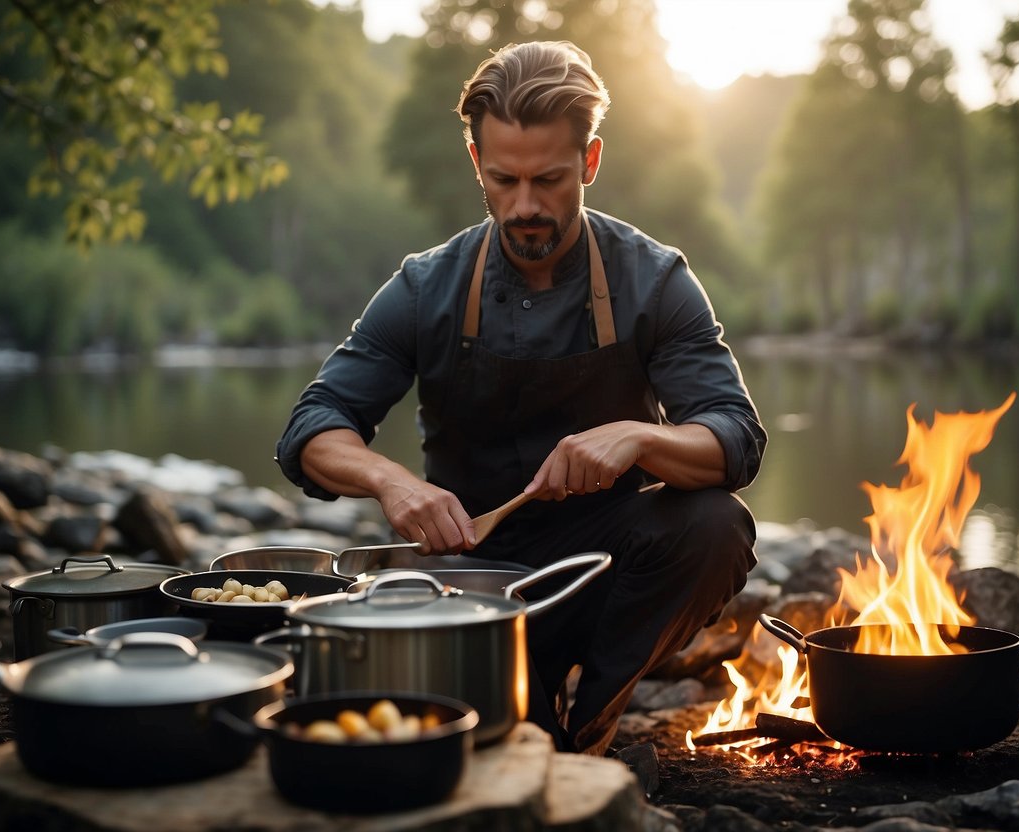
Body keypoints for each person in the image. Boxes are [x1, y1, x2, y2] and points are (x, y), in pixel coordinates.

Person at [276, 40, 766, 756]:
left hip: (603, 570)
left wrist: (639, 437)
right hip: (468, 582)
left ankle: (597, 713)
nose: (526, 205)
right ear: (476, 163)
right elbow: (311, 429)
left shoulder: (654, 281)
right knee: (508, 737)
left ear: (590, 163)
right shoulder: (424, 288)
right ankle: (535, 716)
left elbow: (736, 439)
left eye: (550, 180)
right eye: (504, 180)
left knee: (716, 524)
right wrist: (393, 484)